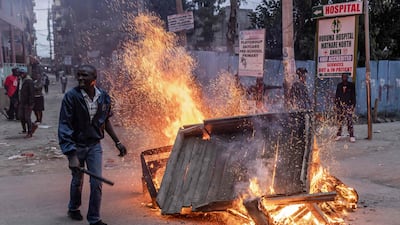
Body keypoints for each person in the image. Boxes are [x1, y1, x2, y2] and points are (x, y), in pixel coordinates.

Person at [58, 64, 127, 225]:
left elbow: (105, 121)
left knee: (96, 182)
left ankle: (94, 218)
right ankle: (74, 208)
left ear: (94, 79)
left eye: (85, 76)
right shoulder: (71, 97)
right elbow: (64, 126)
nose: (80, 78)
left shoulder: (103, 97)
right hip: (77, 145)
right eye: (79, 75)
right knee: (77, 180)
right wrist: (71, 155)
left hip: (94, 145)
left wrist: (117, 142)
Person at [335, 73, 356, 142]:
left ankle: (351, 135)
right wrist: (336, 105)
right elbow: (337, 95)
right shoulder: (339, 85)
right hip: (340, 105)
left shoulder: (351, 85)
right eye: (343, 77)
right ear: (341, 78)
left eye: (345, 77)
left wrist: (353, 105)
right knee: (339, 120)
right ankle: (338, 134)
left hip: (348, 105)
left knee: (349, 120)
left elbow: (353, 95)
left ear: (347, 77)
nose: (344, 78)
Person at [18, 67, 37, 138]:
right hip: (22, 102)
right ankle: (31, 126)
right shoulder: (21, 81)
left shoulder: (29, 81)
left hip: (28, 103)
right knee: (21, 116)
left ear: (25, 73)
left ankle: (30, 132)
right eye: (20, 73)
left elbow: (32, 93)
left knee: (27, 117)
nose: (21, 75)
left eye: (22, 73)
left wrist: (30, 103)